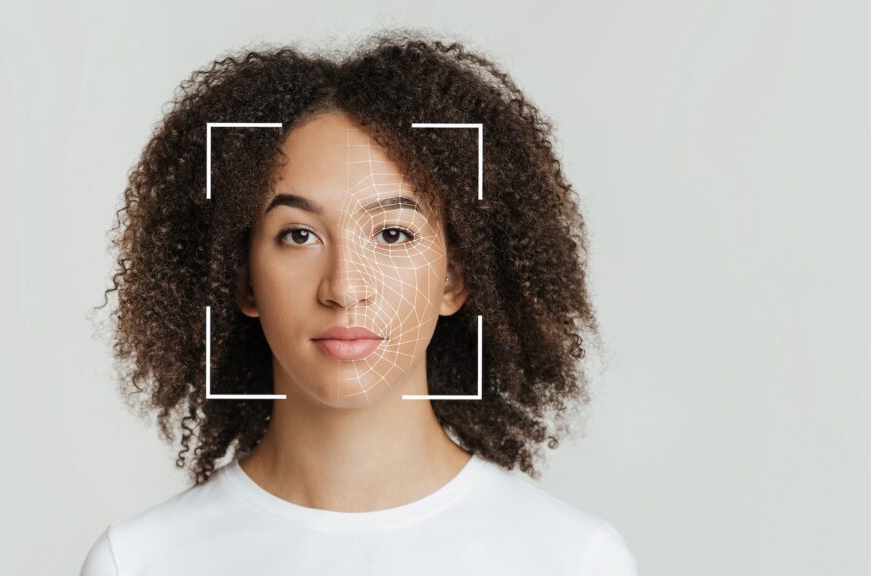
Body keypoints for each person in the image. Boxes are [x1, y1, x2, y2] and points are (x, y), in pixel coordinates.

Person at [82, 30, 637, 575]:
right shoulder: (139, 562)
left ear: (454, 280)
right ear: (243, 280)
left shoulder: (571, 560)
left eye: (393, 234)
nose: (345, 288)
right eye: (299, 235)